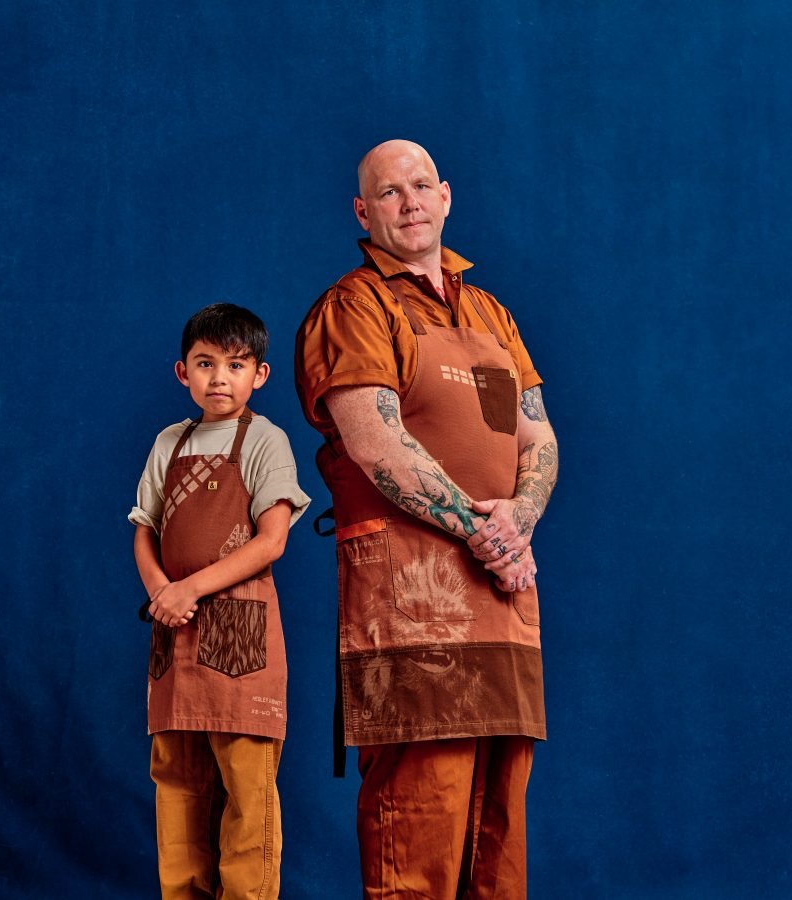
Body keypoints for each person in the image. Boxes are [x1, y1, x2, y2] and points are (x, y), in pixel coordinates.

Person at [294, 140, 558, 898]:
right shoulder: (354, 307)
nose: (408, 202)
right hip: (410, 604)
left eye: (419, 186)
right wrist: (489, 533)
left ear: (446, 196)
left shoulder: (490, 315)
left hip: (503, 600)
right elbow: (377, 444)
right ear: (363, 211)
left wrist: (522, 518)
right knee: (420, 823)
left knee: (499, 830)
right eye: (387, 192)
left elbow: (534, 437)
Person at [131, 303, 311, 900]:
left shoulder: (265, 439)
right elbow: (145, 529)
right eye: (205, 364)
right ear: (182, 372)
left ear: (258, 375)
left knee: (247, 795)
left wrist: (188, 589)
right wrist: (161, 590)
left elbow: (272, 541)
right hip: (172, 636)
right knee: (177, 790)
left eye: (235, 365)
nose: (219, 378)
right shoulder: (167, 443)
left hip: (241, 642)